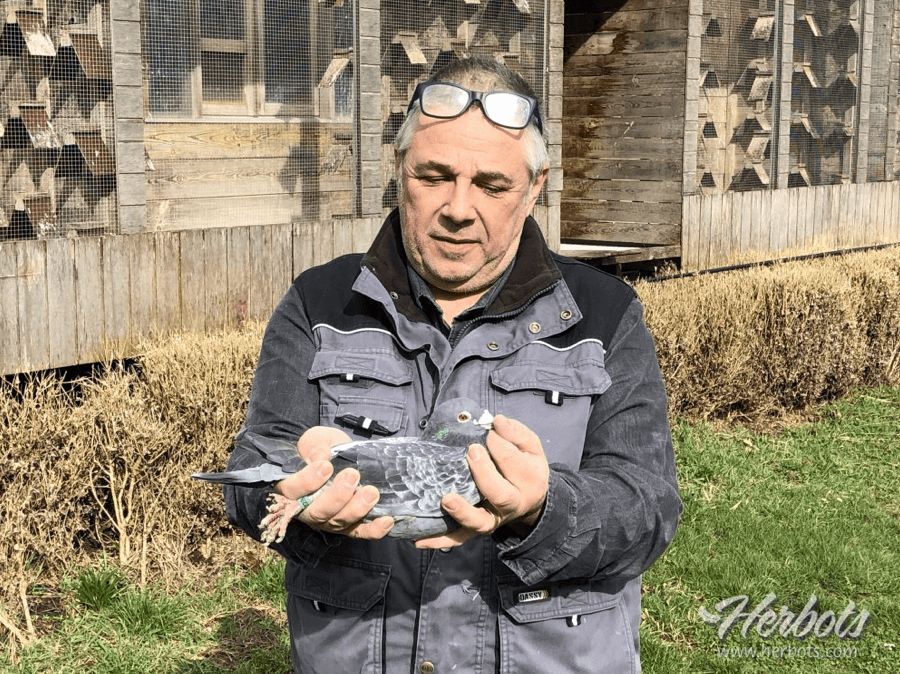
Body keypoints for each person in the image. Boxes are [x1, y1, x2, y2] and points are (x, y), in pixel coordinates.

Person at [224, 55, 681, 674]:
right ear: (399, 170)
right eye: (434, 175)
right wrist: (289, 496)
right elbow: (253, 469)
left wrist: (544, 505)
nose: (459, 208)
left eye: (492, 185)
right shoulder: (321, 304)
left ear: (535, 187)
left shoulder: (603, 315)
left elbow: (648, 509)